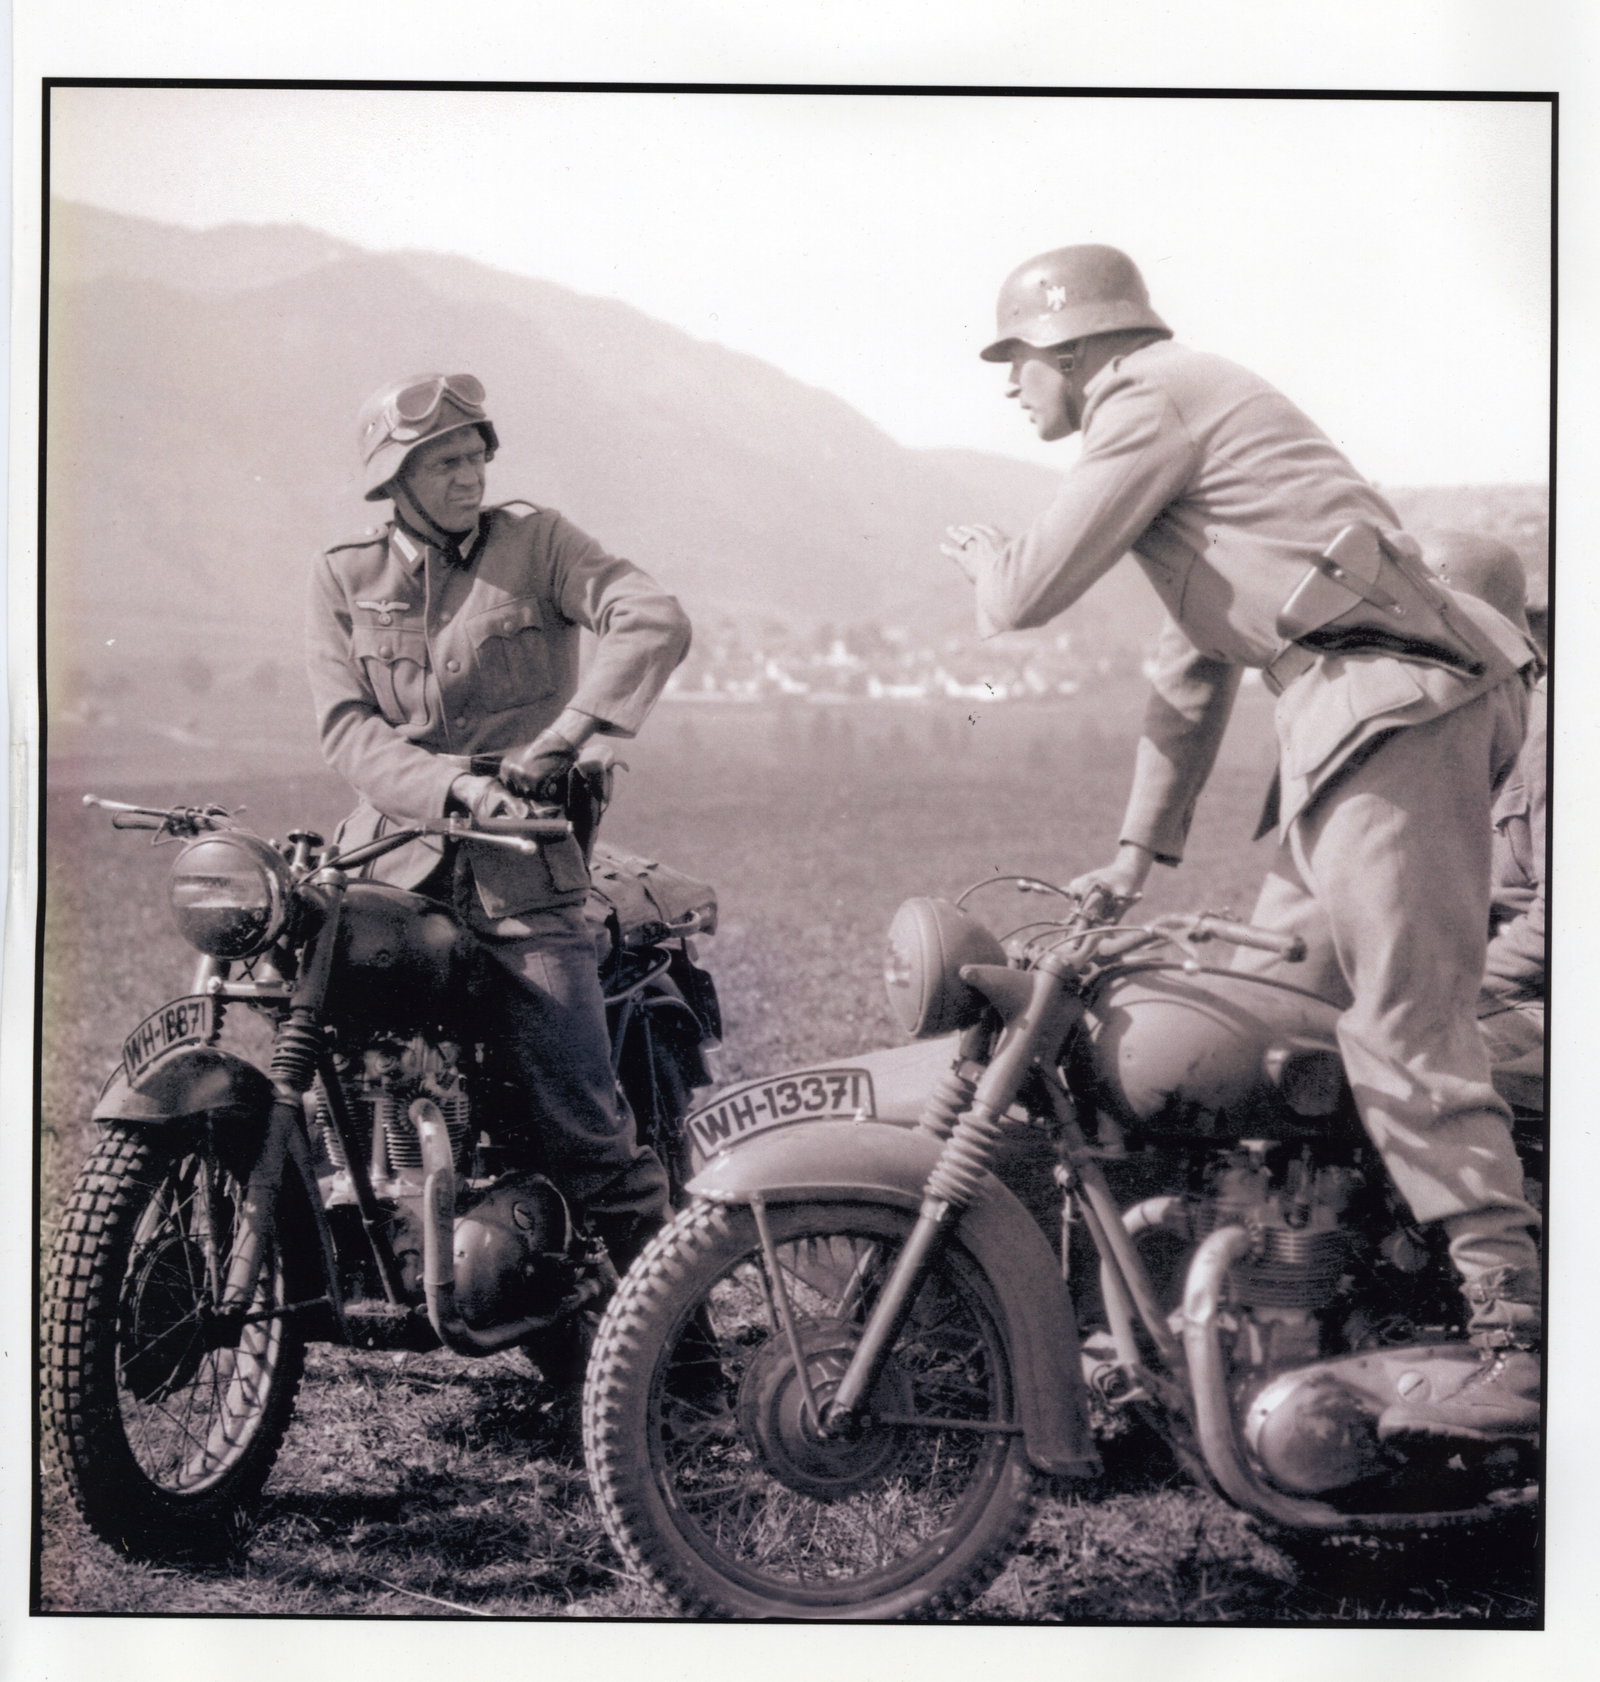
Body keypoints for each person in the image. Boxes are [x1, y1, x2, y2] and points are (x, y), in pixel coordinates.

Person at [943, 246, 1543, 1441]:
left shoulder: (1145, 397)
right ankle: (1275, 1312)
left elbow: (1022, 596)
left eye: (1017, 361)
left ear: (1072, 349)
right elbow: (1186, 672)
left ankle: (1514, 1339)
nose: (1011, 388)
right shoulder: (1195, 453)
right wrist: (1134, 851)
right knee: (1267, 1016)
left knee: (1398, 1027)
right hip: (1353, 714)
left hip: (1391, 709)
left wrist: (982, 562)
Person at [306, 372, 691, 1290]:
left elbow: (654, 618)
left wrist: (560, 743)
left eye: (476, 455)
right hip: (386, 855)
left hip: (521, 869)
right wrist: (450, 790)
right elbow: (349, 731)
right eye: (444, 462)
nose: (469, 475)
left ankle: (685, 1369)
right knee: (290, 1022)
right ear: (394, 478)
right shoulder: (344, 576)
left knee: (582, 1121)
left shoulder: (540, 543)